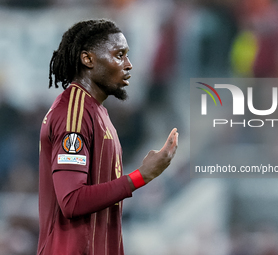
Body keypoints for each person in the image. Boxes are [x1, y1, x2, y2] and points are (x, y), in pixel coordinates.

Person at [37, 19, 179, 255]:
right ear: (88, 59)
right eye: (119, 55)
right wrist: (141, 175)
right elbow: (71, 201)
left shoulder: (97, 112)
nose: (129, 64)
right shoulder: (75, 112)